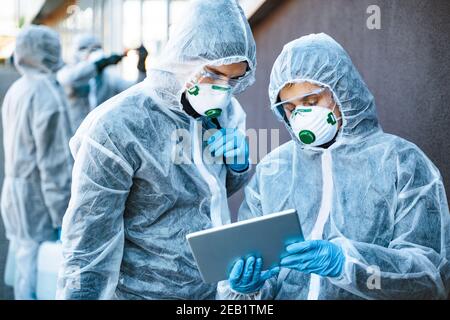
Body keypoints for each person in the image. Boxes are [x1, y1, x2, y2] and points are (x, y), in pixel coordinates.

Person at [217, 33, 450, 300]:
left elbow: (430, 276)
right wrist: (247, 288)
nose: (301, 116)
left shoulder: (402, 162)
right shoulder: (273, 170)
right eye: (291, 108)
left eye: (311, 102)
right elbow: (261, 271)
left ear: (343, 92)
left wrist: (347, 263)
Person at [56, 0, 255, 300]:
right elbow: (87, 249)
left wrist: (238, 167)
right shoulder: (117, 127)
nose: (222, 90)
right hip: (142, 292)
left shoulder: (224, 114)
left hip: (210, 292)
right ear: (185, 57)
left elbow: (209, 193)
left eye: (233, 79)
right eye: (214, 74)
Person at [1, 25, 73, 300]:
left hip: (15, 190)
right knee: (40, 266)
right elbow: (54, 164)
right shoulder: (47, 93)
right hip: (38, 197)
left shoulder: (18, 88)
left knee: (24, 258)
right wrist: (63, 212)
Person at [57, 34, 147, 130]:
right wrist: (98, 65)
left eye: (96, 48)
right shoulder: (68, 72)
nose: (93, 53)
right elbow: (67, 79)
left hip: (100, 133)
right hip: (73, 132)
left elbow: (134, 90)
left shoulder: (109, 77)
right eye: (85, 49)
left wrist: (141, 67)